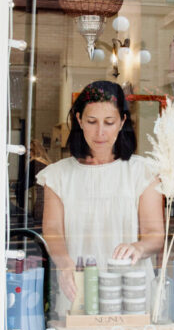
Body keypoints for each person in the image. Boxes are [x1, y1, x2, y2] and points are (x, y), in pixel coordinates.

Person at [36, 80, 164, 315]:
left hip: (131, 293)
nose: (100, 132)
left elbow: (155, 236)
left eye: (109, 122)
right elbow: (53, 230)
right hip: (78, 289)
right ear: (79, 121)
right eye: (92, 122)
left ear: (122, 122)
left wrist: (139, 247)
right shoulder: (58, 175)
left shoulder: (143, 172)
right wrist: (65, 265)